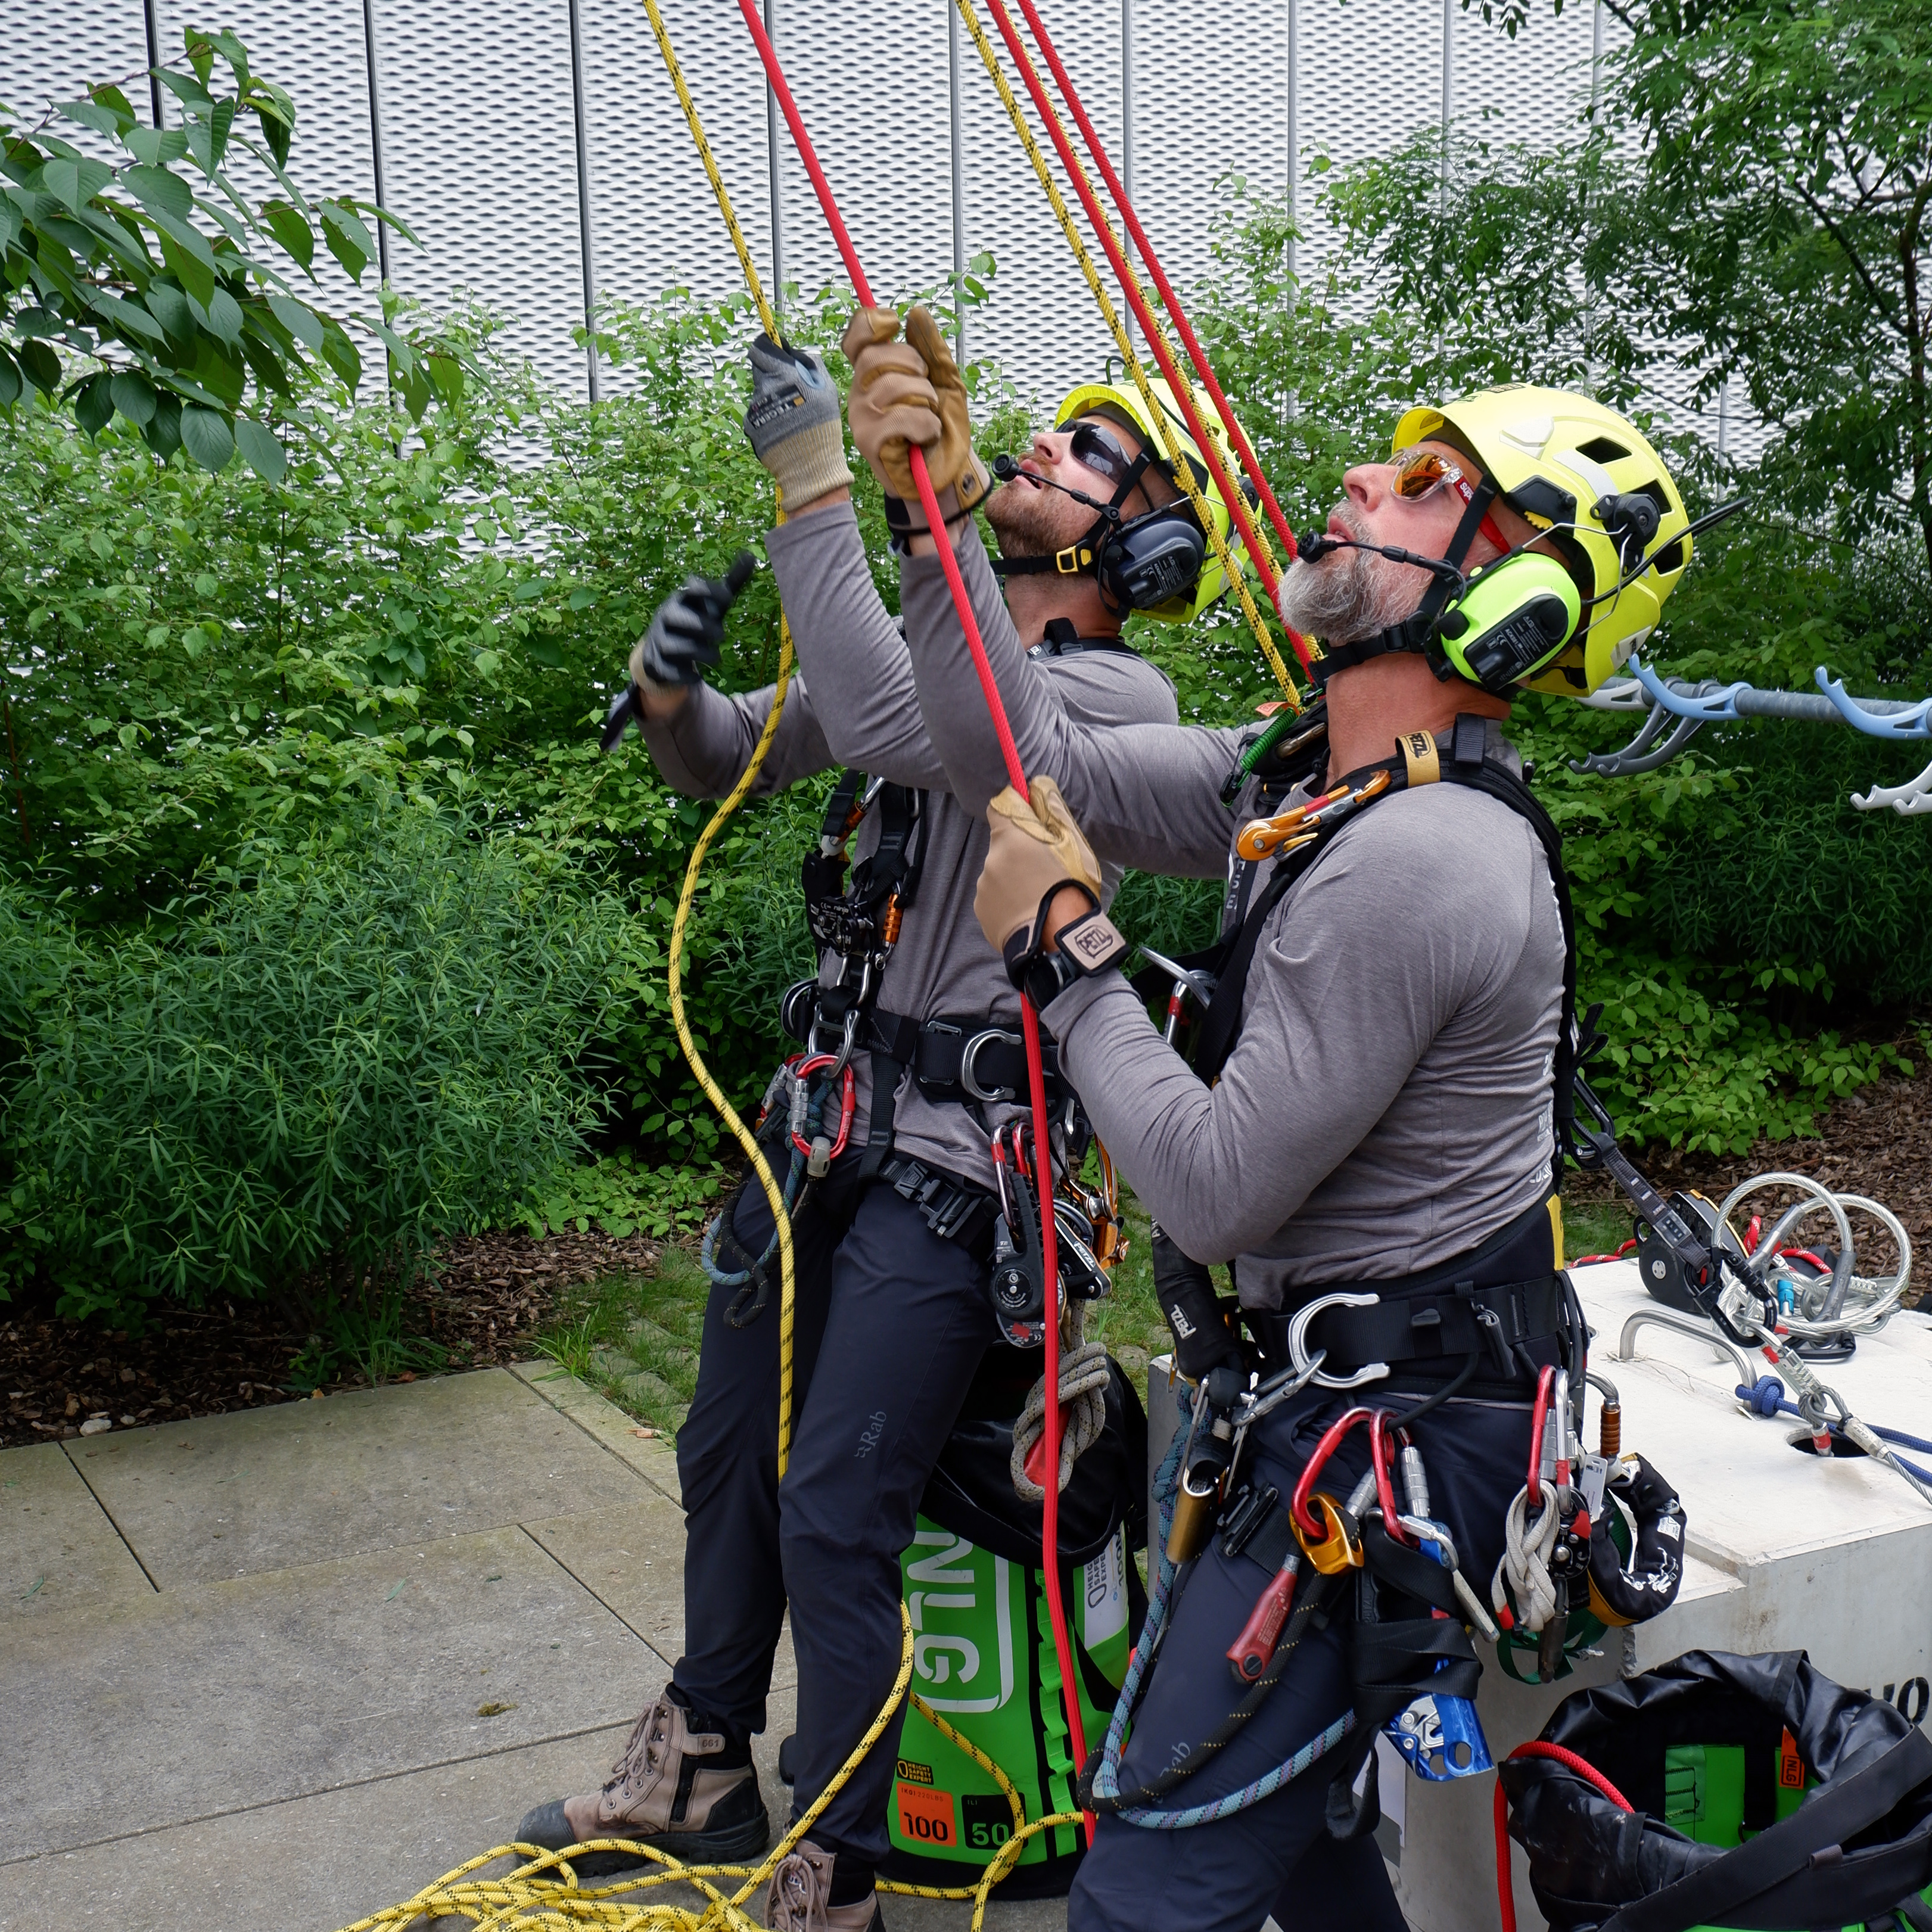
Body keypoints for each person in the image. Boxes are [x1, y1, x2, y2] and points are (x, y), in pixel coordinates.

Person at [875, 374, 1694, 1931]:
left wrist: (1064, 951)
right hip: (1344, 1413)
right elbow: (1020, 749)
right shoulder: (1312, 789)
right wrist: (937, 521)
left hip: (1390, 1440)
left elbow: (1210, 1182)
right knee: (1312, 1857)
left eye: (1421, 481)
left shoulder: (1428, 858)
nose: (1357, 479)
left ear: (1513, 595)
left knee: (1140, 1898)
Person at [516, 307, 1259, 1931]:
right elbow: (750, 750)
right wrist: (665, 694)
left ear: (1140, 543)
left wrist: (814, 492)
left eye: (1087, 453)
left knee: (841, 1495)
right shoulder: (954, 632)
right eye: (1048, 431)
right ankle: (703, 1751)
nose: (1043, 450)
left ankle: (833, 1856)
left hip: (955, 1165)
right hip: (822, 1115)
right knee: (726, 1446)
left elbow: (890, 717)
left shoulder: (1113, 697)